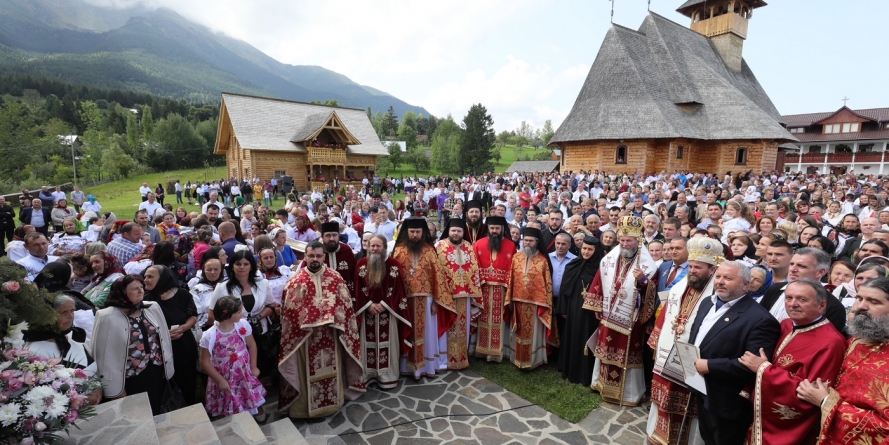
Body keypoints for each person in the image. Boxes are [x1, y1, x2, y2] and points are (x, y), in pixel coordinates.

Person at [740, 279, 846, 445]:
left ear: (822, 305)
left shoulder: (832, 342)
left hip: (791, 430)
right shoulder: (786, 324)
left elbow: (810, 392)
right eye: (789, 298)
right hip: (760, 414)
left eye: (802, 299)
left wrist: (763, 369)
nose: (793, 304)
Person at [687, 261, 781, 445]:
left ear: (746, 285)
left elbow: (752, 364)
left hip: (728, 399)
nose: (720, 282)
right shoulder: (708, 302)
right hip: (701, 387)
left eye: (728, 278)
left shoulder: (761, 320)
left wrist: (710, 365)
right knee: (708, 438)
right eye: (719, 277)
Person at [646, 236, 722, 445]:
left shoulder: (717, 295)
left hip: (693, 360)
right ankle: (657, 435)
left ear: (712, 269)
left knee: (689, 406)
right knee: (662, 400)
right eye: (692, 266)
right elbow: (666, 313)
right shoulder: (681, 287)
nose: (693, 271)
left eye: (699, 267)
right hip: (668, 354)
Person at [798, 277, 889, 444]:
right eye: (859, 298)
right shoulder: (857, 340)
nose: (861, 306)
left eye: (874, 301)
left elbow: (885, 427)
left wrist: (826, 402)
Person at [277, 241, 363, 418]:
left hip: (331, 335)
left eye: (318, 256)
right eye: (311, 256)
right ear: (306, 256)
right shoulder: (295, 281)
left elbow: (346, 307)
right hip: (305, 338)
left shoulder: (335, 277)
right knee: (305, 372)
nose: (315, 259)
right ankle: (302, 410)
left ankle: (333, 404)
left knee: (332, 368)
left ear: (324, 256)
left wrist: (334, 319)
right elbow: (289, 314)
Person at [584, 216, 658, 406]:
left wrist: (642, 281)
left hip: (630, 320)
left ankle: (629, 394)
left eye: (629, 240)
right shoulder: (609, 259)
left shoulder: (648, 266)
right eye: (622, 240)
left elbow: (652, 293)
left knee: (627, 353)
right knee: (606, 349)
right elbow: (599, 281)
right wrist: (598, 306)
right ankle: (601, 385)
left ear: (638, 241)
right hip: (608, 316)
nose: (625, 244)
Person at [92, 274, 175, 415]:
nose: (140, 291)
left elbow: (164, 338)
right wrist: (112, 387)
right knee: (136, 414)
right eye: (135, 289)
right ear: (122, 292)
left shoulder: (152, 307)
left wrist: (167, 366)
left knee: (157, 409)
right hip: (128, 377)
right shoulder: (106, 316)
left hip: (155, 370)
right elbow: (101, 354)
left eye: (141, 287)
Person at [391, 217, 456, 379]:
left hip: (426, 302)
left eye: (417, 232)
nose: (414, 235)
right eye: (411, 232)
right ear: (406, 232)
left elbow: (438, 278)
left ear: (422, 233)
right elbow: (393, 278)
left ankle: (427, 367)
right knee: (407, 332)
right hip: (405, 302)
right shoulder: (399, 251)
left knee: (426, 335)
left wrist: (436, 302)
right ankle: (406, 367)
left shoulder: (429, 251)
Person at [353, 234, 411, 389]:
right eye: (372, 246)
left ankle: (387, 377)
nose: (375, 249)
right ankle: (369, 374)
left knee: (389, 345)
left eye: (378, 246)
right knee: (367, 344)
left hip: (389, 312)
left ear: (385, 247)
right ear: (368, 246)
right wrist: (369, 305)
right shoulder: (361, 264)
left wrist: (384, 304)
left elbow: (398, 289)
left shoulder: (394, 264)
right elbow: (358, 290)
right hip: (367, 313)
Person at [200, 296, 267, 419]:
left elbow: (252, 346)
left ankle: (259, 414)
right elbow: (204, 361)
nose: (242, 313)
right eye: (239, 312)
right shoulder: (209, 336)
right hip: (225, 376)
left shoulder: (243, 325)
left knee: (250, 394)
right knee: (227, 398)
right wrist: (220, 380)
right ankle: (230, 422)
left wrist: (254, 367)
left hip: (244, 373)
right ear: (227, 315)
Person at [142, 265, 199, 406]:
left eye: (150, 277)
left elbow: (193, 315)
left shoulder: (183, 294)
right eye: (145, 276)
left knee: (187, 380)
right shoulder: (146, 299)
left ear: (162, 278)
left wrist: (183, 328)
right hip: (159, 349)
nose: (145, 280)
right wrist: (162, 335)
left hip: (184, 345)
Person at [757, 248, 847, 334]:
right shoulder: (775, 289)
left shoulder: (833, 307)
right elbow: (758, 322)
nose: (793, 269)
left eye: (801, 266)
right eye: (791, 264)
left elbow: (827, 341)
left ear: (820, 272)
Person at [555, 235, 604, 385]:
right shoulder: (573, 264)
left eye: (590, 249)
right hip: (574, 309)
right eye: (584, 248)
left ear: (596, 251)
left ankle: (585, 374)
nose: (586, 252)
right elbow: (565, 289)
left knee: (587, 340)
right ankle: (570, 370)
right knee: (572, 338)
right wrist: (563, 309)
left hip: (590, 314)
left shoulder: (601, 269)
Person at [503, 227, 553, 369]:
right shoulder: (516, 257)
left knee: (534, 334)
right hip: (518, 303)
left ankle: (532, 359)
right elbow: (510, 280)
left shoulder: (543, 260)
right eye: (525, 240)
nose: (527, 243)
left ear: (537, 242)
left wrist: (545, 304)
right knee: (518, 330)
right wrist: (510, 299)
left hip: (536, 305)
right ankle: (516, 358)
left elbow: (547, 284)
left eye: (531, 241)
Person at [435, 218, 482, 370]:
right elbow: (436, 272)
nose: (456, 233)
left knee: (462, 328)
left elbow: (474, 271)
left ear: (463, 232)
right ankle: (444, 359)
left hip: (464, 297)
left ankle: (461, 358)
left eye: (459, 231)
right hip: (446, 297)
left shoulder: (468, 247)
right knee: (446, 326)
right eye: (453, 230)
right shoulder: (439, 246)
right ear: (448, 231)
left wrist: (473, 292)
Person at [472, 216, 515, 362]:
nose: (495, 231)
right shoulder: (478, 244)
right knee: (482, 318)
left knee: (499, 319)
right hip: (483, 289)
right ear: (488, 229)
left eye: (497, 228)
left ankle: (497, 352)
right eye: (492, 228)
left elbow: (512, 269)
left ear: (502, 229)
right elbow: (474, 267)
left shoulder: (510, 246)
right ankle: (481, 350)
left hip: (501, 290)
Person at [318, 222, 356, 292]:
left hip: (345, 293)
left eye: (334, 235)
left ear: (339, 236)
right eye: (328, 235)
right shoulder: (316, 252)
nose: (331, 238)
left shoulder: (347, 250)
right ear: (322, 237)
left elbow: (354, 275)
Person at [190, 257, 224, 332]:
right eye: (209, 269)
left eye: (216, 269)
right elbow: (197, 315)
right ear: (204, 271)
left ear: (221, 271)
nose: (212, 272)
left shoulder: (227, 286)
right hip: (207, 330)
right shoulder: (197, 290)